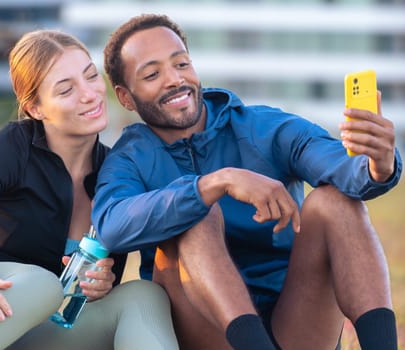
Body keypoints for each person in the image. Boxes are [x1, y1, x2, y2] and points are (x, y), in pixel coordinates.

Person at [91, 14, 402, 350]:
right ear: (125, 97)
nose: (174, 80)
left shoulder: (262, 127)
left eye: (181, 64)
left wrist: (377, 166)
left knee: (335, 202)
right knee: (195, 213)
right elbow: (111, 224)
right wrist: (214, 184)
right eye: (152, 74)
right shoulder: (128, 157)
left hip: (296, 320)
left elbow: (339, 167)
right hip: (204, 330)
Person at [0, 29, 178, 350]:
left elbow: (105, 269)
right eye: (66, 89)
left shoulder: (116, 174)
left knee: (145, 294)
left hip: (24, 331)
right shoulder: (8, 150)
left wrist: (104, 283)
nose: (89, 94)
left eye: (90, 76)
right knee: (43, 285)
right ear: (35, 108)